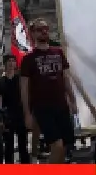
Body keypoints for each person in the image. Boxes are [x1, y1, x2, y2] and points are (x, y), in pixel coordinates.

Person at [20, 18, 77, 164]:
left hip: (62, 105)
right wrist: (27, 114)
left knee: (64, 146)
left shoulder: (58, 52)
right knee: (56, 146)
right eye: (40, 29)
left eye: (46, 28)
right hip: (43, 108)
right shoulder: (28, 59)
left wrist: (73, 100)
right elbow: (24, 88)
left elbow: (65, 78)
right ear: (32, 33)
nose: (44, 32)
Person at [0, 54, 30, 163]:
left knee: (23, 145)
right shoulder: (0, 81)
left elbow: (26, 96)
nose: (11, 63)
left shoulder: (20, 80)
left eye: (13, 61)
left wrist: (27, 114)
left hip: (20, 114)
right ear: (5, 64)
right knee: (9, 147)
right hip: (7, 116)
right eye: (9, 61)